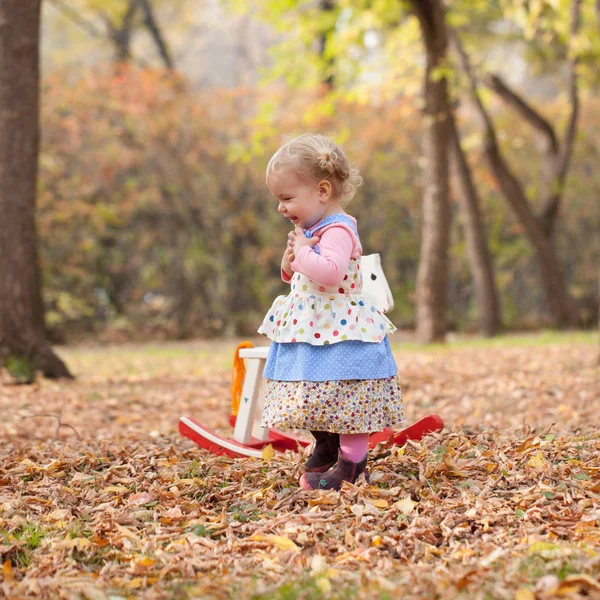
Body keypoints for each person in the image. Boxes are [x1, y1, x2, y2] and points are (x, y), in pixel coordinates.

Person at [258, 133, 404, 491]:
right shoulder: (310, 228)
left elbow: (330, 272)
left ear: (322, 191)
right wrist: (292, 258)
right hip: (314, 325)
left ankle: (353, 465)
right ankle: (326, 444)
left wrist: (306, 253)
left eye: (287, 198)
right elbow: (293, 274)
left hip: (340, 328)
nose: (281, 208)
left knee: (346, 392)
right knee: (311, 388)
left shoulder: (338, 229)